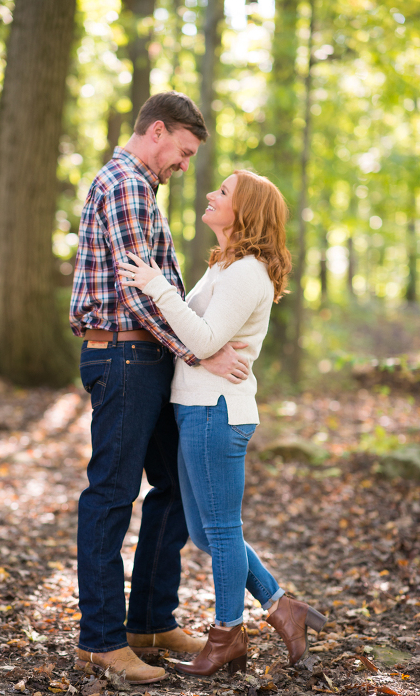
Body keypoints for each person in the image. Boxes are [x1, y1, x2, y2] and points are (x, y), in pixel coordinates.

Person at [69, 92, 251, 685]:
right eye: (184, 151)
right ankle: (100, 639)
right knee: (112, 495)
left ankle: (149, 619)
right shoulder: (125, 183)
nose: (184, 166)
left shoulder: (142, 187)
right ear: (158, 130)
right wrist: (198, 349)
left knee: (174, 484)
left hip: (145, 358)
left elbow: (160, 286)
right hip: (123, 354)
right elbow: (135, 293)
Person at [117, 169, 328, 676]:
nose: (211, 194)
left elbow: (206, 340)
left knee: (220, 530)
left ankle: (227, 635)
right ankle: (281, 606)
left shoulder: (246, 273)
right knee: (209, 535)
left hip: (217, 412)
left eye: (223, 192)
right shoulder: (223, 267)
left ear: (245, 212)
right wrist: (171, 302)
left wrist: (159, 287)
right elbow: (194, 338)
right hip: (197, 408)